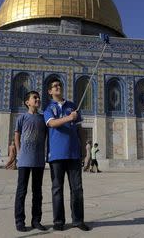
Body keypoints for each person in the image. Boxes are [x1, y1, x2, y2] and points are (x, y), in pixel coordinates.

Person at [44, 80, 90, 231]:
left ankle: (78, 220)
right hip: (56, 154)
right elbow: (51, 124)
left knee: (77, 188)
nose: (58, 87)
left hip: (73, 153)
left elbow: (80, 130)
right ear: (50, 91)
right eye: (55, 86)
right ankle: (59, 221)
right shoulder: (48, 108)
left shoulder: (72, 106)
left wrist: (83, 150)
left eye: (59, 85)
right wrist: (69, 118)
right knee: (57, 188)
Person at [14, 91, 48, 232]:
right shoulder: (22, 118)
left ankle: (36, 220)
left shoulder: (42, 118)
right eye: (35, 98)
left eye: (38, 97)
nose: (38, 99)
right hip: (24, 160)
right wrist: (19, 151)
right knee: (22, 191)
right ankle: (20, 221)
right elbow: (17, 135)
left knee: (37, 192)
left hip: (38, 160)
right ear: (27, 102)